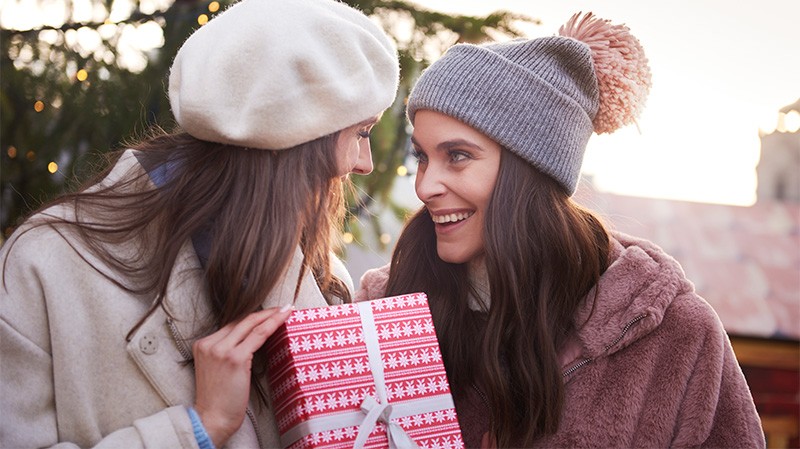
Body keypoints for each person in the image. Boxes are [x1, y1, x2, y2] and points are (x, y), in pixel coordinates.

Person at [355, 12, 765, 448]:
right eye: (421, 156)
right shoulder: (381, 313)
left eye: (457, 156)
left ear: (530, 172)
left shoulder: (674, 335)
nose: (425, 186)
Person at [0, 0, 399, 447]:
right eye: (361, 133)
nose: (364, 163)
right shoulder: (45, 266)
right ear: (294, 136)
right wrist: (198, 428)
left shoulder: (324, 276)